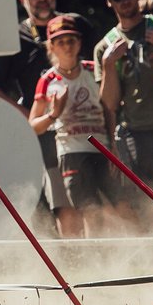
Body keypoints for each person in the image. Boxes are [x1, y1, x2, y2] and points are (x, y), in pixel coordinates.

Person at [0, 0, 97, 236]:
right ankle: (79, 266)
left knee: (97, 202)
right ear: (22, 0)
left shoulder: (76, 24)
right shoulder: (14, 35)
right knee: (64, 204)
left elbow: (99, 67)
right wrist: (26, 114)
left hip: (90, 128)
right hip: (49, 134)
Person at [94, 0, 153, 207]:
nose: (125, 0)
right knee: (151, 199)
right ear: (109, 2)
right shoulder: (105, 46)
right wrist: (109, 65)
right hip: (138, 132)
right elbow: (109, 104)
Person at [29, 14, 110, 235]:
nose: (67, 47)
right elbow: (33, 126)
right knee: (90, 210)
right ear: (51, 47)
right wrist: (53, 114)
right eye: (61, 42)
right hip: (72, 151)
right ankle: (100, 262)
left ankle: (135, 253)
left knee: (122, 207)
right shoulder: (47, 81)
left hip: (103, 147)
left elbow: (111, 106)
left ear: (80, 42)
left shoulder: (94, 70)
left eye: (71, 40)